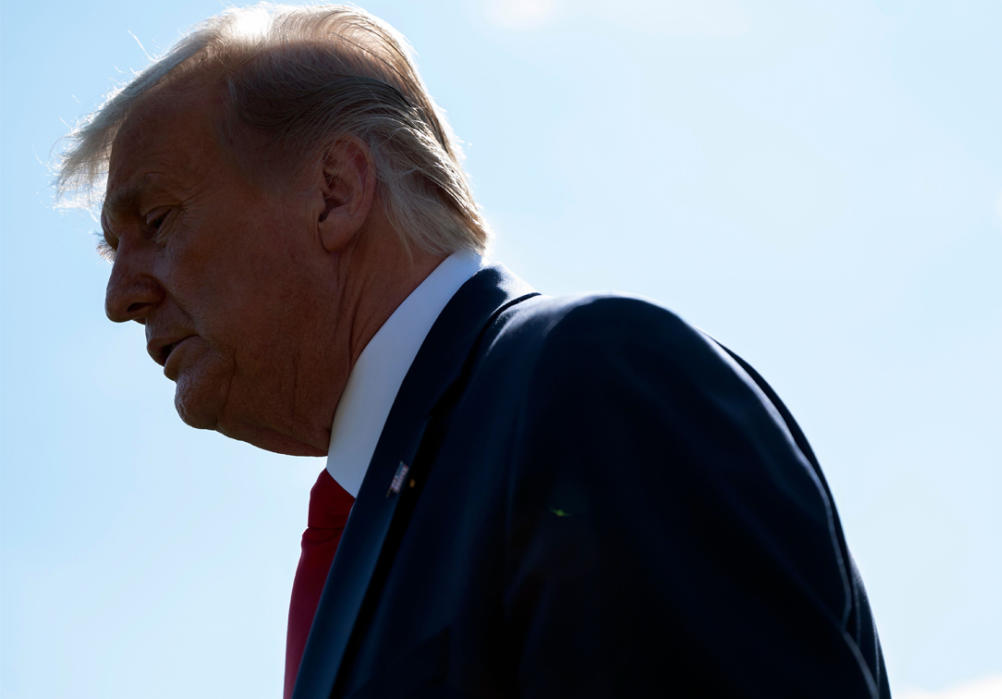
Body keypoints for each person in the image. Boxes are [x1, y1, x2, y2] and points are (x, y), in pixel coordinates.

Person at [57, 5, 889, 698]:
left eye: (157, 222)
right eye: (112, 250)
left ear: (335, 193)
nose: (119, 297)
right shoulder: (406, 490)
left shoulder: (589, 384)